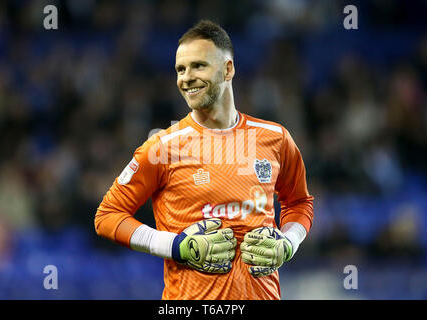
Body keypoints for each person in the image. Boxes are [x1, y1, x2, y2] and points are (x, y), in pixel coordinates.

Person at [95, 20, 314, 300]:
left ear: (228, 69)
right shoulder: (162, 147)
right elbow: (107, 216)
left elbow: (299, 203)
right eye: (180, 69)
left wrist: (288, 243)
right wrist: (177, 246)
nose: (186, 77)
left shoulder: (276, 138)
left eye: (198, 66)